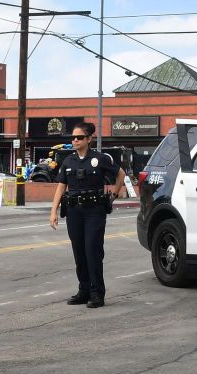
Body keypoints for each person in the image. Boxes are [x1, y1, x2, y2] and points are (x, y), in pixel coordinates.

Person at [49, 121, 125, 308]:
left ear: (89, 139)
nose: (75, 140)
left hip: (94, 212)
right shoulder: (68, 160)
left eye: (79, 137)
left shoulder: (100, 159)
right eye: (73, 137)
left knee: (93, 251)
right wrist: (54, 210)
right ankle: (83, 291)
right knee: (79, 253)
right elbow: (61, 186)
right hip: (74, 211)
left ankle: (97, 293)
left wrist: (113, 195)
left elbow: (121, 174)